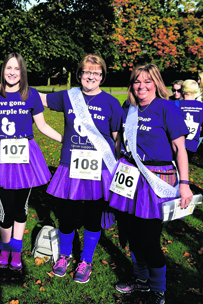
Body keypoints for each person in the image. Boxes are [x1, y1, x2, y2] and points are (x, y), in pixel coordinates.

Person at [110, 64, 192, 304]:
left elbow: (180, 149)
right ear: (131, 85)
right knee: (131, 235)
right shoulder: (129, 108)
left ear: (156, 83)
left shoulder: (167, 109)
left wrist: (185, 184)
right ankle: (141, 281)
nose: (142, 86)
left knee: (149, 238)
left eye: (147, 81)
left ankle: (158, 290)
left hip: (156, 178)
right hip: (129, 177)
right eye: (137, 81)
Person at [40, 54, 123, 283]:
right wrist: (16, 85)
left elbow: (117, 140)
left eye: (96, 73)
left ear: (102, 76)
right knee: (66, 216)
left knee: (93, 216)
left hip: (99, 169)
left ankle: (85, 260)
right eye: (87, 72)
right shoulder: (69, 96)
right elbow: (43, 100)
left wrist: (116, 169)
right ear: (80, 74)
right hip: (70, 167)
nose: (91, 76)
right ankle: (65, 256)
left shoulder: (111, 103)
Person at [0, 53, 62, 270]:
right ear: (3, 71)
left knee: (21, 208)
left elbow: (42, 126)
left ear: (22, 72)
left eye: (16, 69)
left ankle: (16, 249)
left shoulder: (31, 95)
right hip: (0, 156)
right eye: (8, 68)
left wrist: (65, 140)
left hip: (25, 156)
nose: (12, 72)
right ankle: (4, 248)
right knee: (5, 209)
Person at [175, 79, 203, 161]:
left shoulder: (176, 105)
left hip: (177, 143)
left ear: (183, 91)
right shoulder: (201, 106)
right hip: (192, 144)